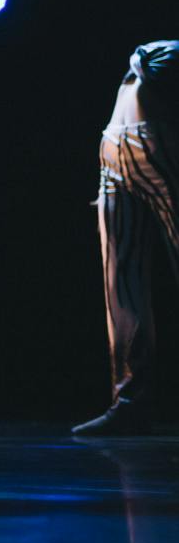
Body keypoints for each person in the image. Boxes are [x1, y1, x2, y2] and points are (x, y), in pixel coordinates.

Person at [74, 41, 179, 435]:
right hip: (115, 152)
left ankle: (132, 402)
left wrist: (143, 60)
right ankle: (130, 402)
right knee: (120, 278)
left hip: (158, 147)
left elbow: (153, 66)